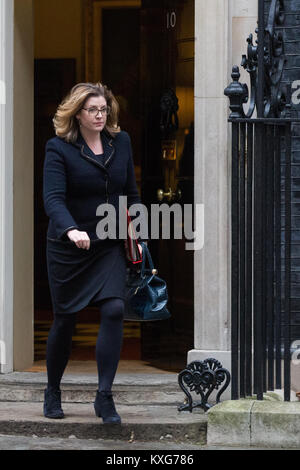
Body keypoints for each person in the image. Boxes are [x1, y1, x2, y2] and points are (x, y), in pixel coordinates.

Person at [43, 82, 145, 424]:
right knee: (65, 320)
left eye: (104, 109)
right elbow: (53, 198)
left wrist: (137, 228)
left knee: (115, 309)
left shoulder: (121, 142)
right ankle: (53, 389)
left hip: (108, 244)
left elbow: (130, 192)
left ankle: (104, 397)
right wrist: (71, 229)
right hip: (69, 247)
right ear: (77, 114)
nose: (100, 115)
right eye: (93, 110)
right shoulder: (59, 148)